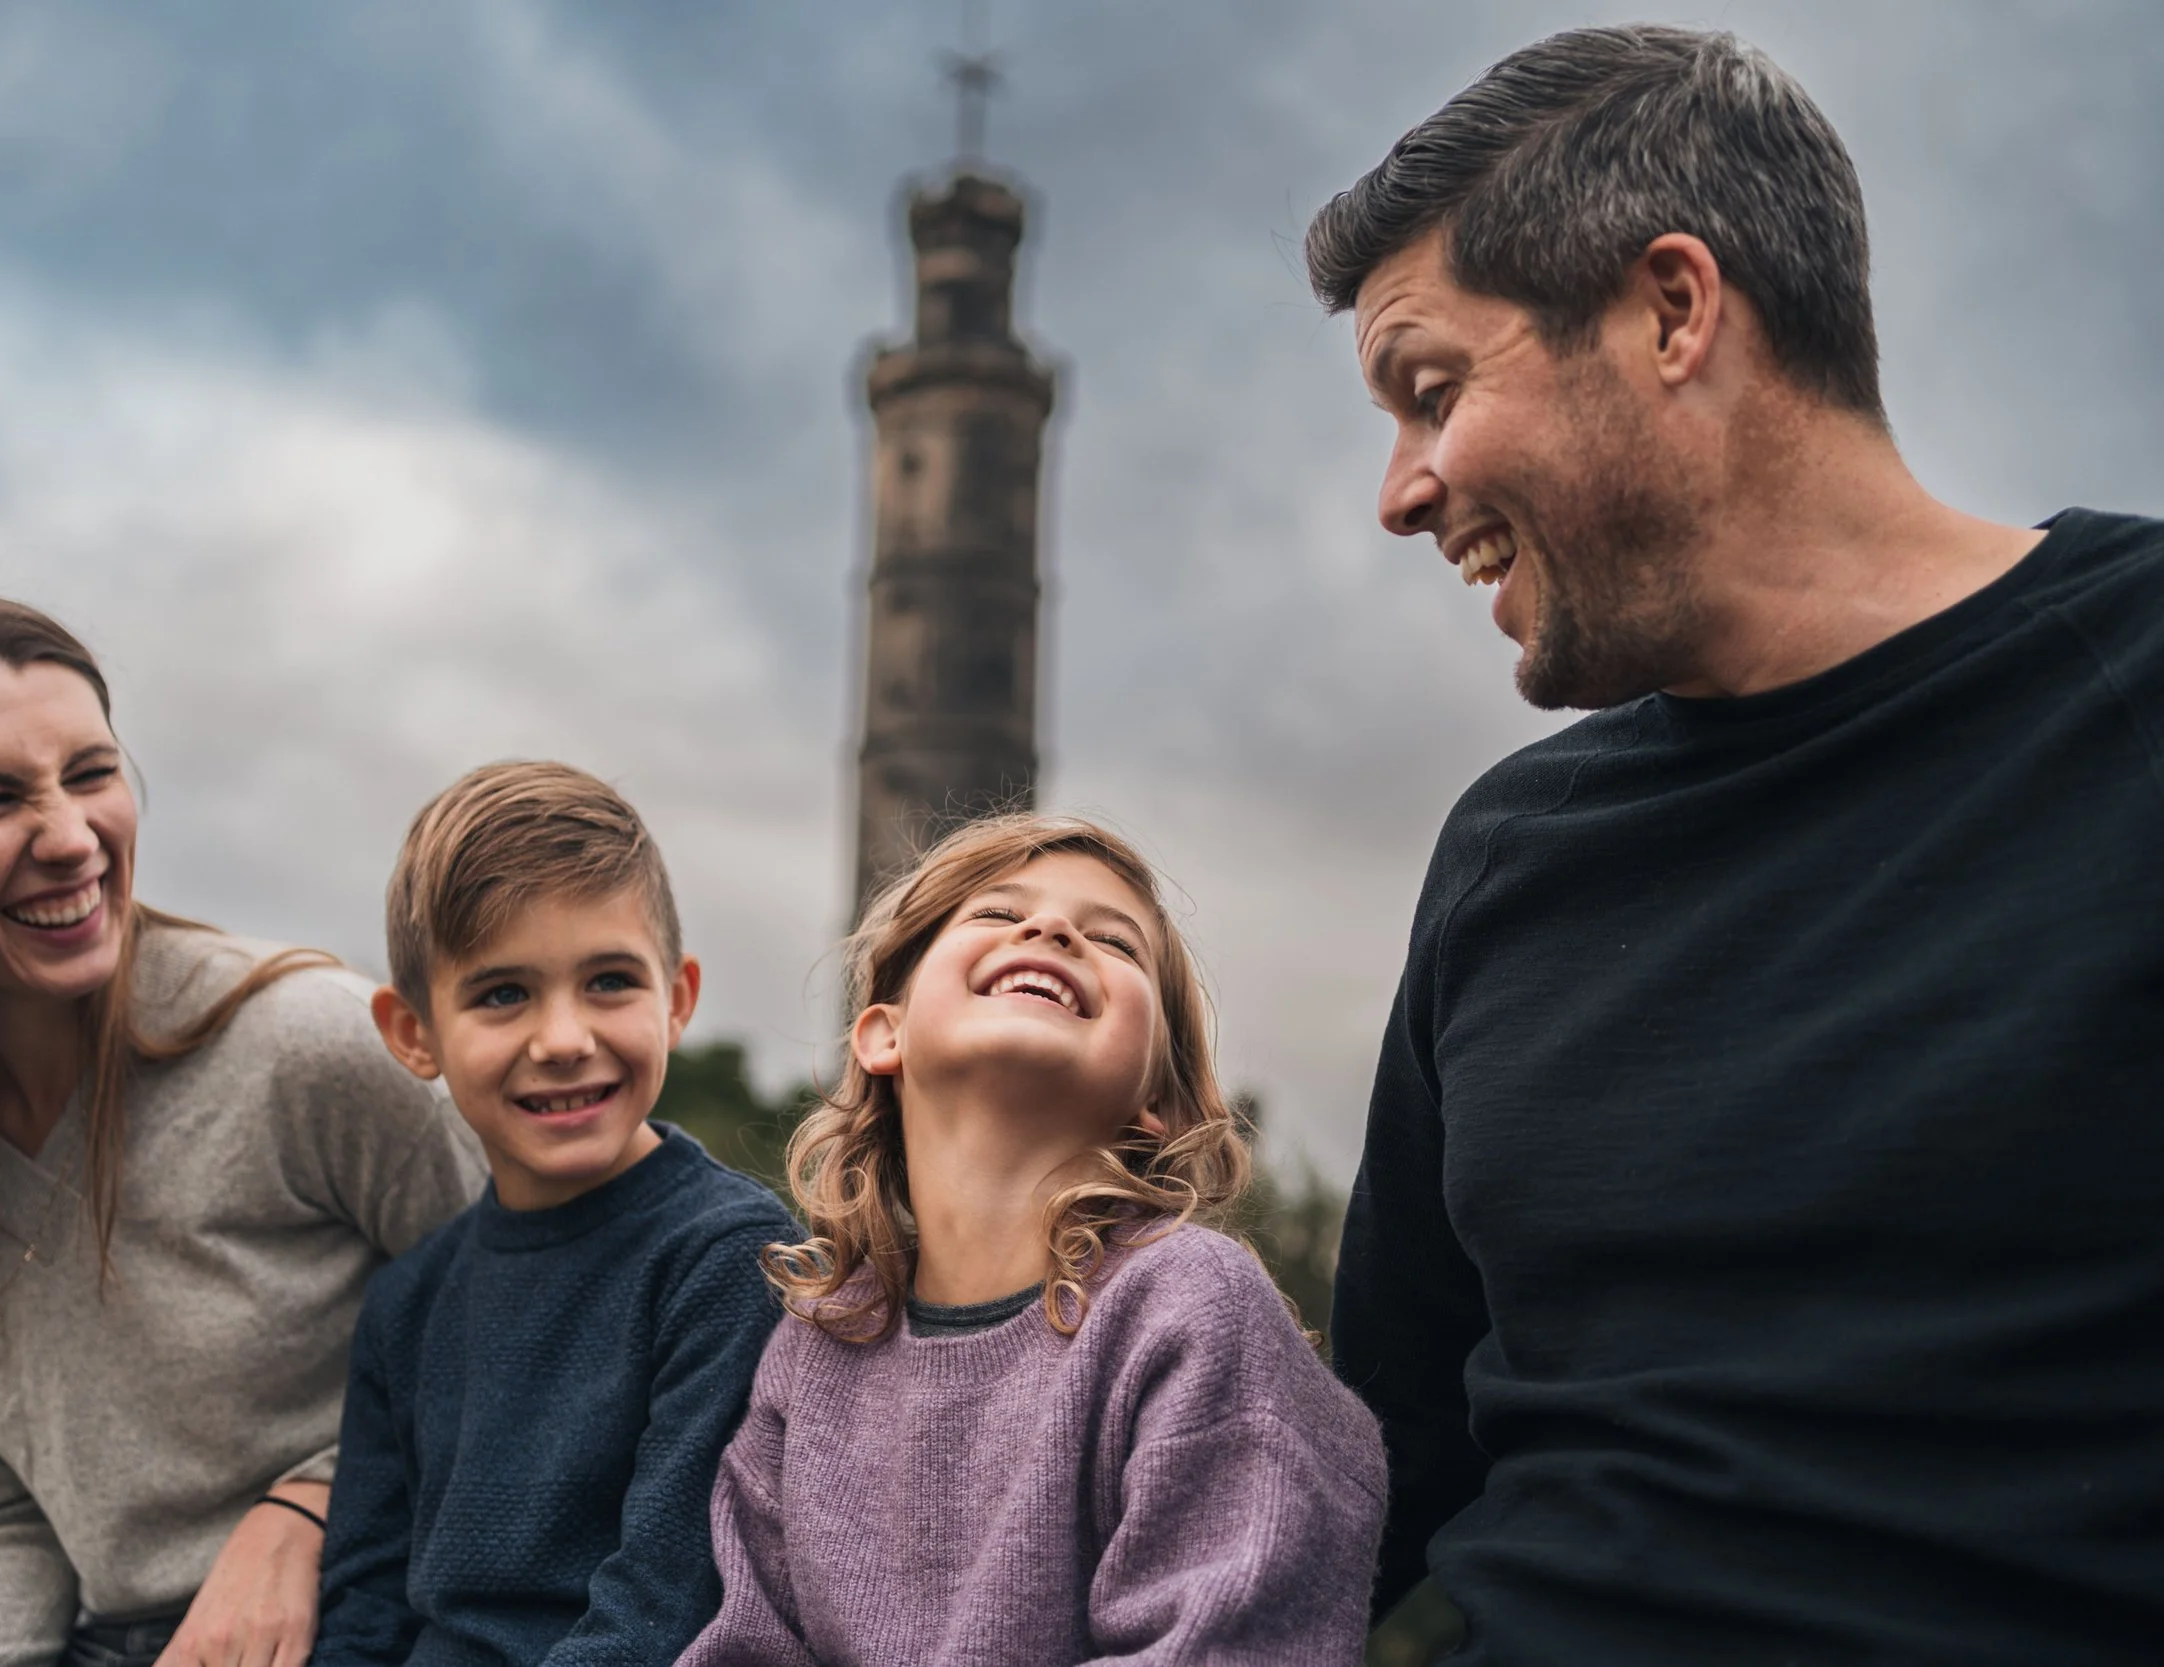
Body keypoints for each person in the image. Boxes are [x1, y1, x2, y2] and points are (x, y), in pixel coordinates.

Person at [1306, 25, 2164, 1665]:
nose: (1400, 495)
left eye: (1432, 393)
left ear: (1672, 310)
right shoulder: (1506, 854)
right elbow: (1366, 1485)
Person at [0, 591, 485, 1667]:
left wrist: (309, 1503)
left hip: (395, 1620)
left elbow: (541, 1337)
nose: (71, 837)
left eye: (92, 773)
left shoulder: (308, 1046)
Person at [678, 814, 1387, 1667]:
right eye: (995, 912)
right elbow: (746, 1647)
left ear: (1156, 1099)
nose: (1050, 929)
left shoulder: (1191, 1306)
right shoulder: (813, 1349)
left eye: (1114, 942)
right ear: (882, 1035)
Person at [313, 762, 794, 1664]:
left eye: (610, 980)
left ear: (678, 998)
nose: (565, 1039)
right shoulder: (407, 1302)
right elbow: (364, 1607)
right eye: (503, 994)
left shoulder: (731, 1262)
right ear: (414, 1034)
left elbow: (668, 1604)